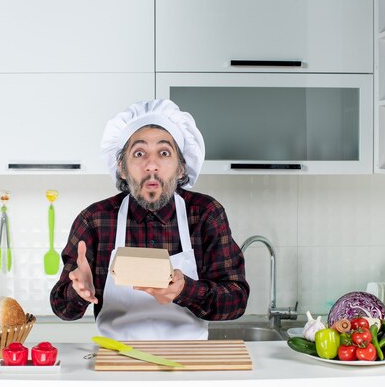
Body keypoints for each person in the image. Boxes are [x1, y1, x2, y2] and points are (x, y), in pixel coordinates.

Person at [50, 99, 249, 340]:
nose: (151, 165)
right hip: (116, 362)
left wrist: (187, 290)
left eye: (164, 153)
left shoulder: (205, 213)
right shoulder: (94, 220)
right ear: (122, 168)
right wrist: (78, 292)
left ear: (181, 168)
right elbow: (62, 308)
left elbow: (236, 301)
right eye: (139, 153)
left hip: (188, 363)